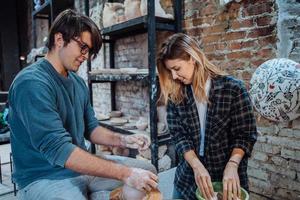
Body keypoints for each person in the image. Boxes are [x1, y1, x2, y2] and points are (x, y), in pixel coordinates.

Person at [8, 9, 158, 200]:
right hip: (44, 176)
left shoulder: (77, 82)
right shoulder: (31, 83)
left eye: (89, 51)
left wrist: (124, 140)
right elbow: (59, 150)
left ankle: (100, 194)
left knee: (148, 174)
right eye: (83, 47)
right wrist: (125, 173)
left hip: (79, 169)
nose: (86, 56)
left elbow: (91, 129)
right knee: (130, 176)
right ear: (59, 39)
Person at [157, 33, 257, 200]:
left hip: (226, 180)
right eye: (170, 71)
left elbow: (245, 135)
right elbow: (179, 136)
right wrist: (197, 166)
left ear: (193, 58)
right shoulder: (176, 94)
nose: (174, 76)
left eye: (176, 69)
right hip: (187, 179)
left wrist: (232, 165)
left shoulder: (233, 89)